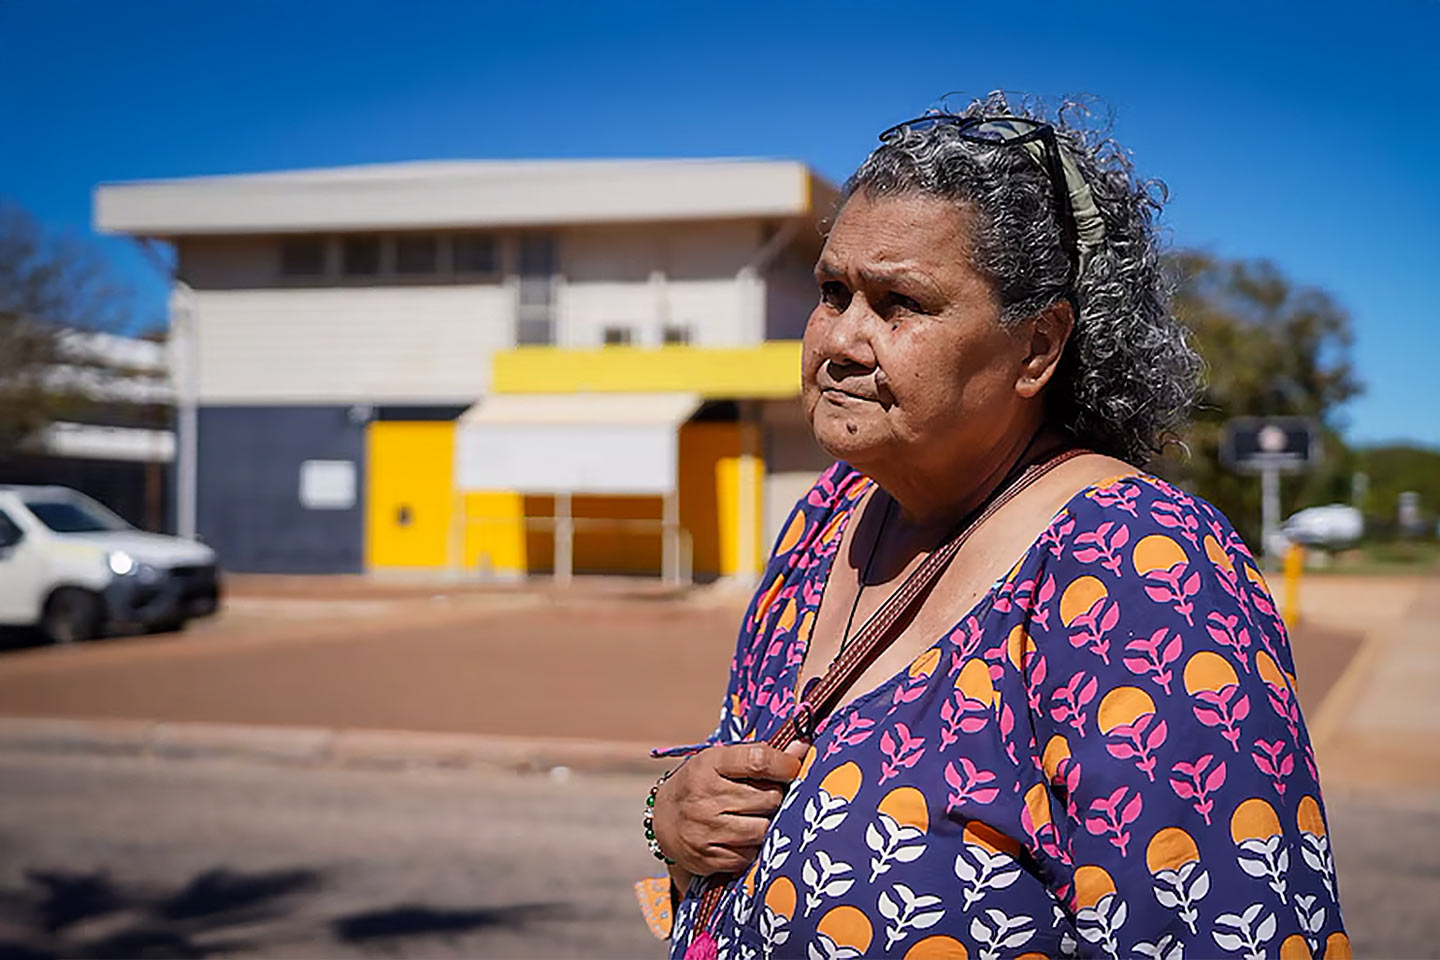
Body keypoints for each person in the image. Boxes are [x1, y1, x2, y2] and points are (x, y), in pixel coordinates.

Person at [640, 92, 1348, 960]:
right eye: (832, 292)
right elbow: (733, 783)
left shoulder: (1141, 567)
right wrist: (673, 821)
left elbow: (1215, 930)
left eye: (899, 302)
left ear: (1038, 349)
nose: (840, 339)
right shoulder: (826, 518)